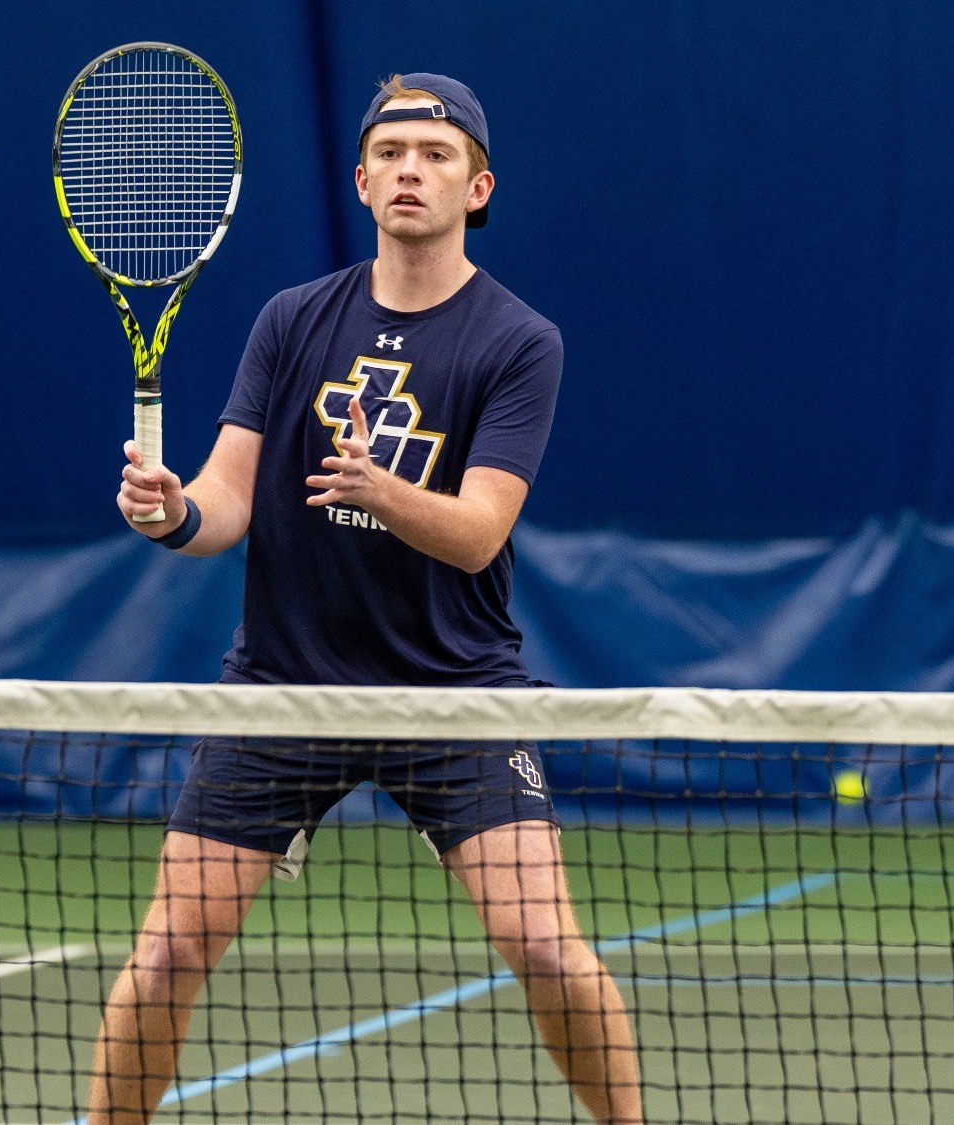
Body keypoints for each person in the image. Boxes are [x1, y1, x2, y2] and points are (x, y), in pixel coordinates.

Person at [92, 73, 642, 1125]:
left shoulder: (518, 341)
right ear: (359, 179)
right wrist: (168, 512)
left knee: (543, 948)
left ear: (476, 186)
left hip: (453, 691)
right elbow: (224, 500)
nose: (409, 170)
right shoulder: (293, 320)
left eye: (435, 156)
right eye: (389, 152)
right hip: (285, 688)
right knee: (164, 954)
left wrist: (382, 493)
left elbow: (479, 530)